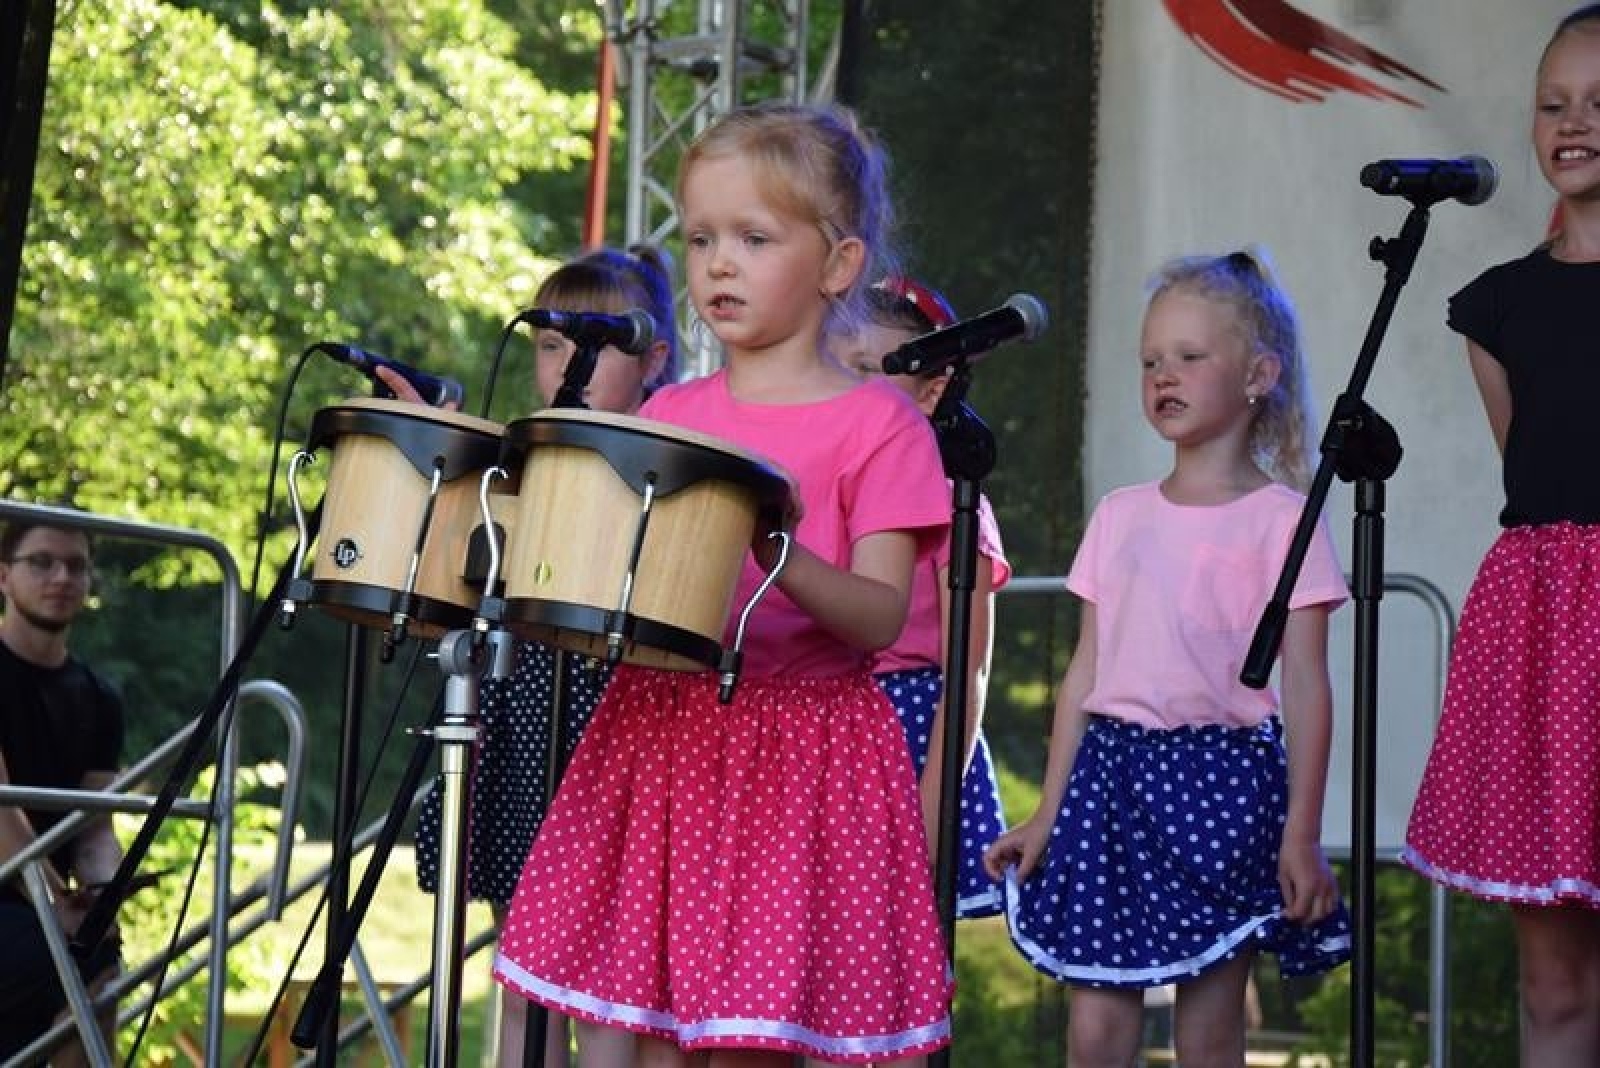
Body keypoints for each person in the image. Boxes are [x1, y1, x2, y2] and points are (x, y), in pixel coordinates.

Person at [492, 102, 954, 1066]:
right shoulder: (670, 413)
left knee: (748, 1038)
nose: (719, 265)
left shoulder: (882, 425)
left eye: (754, 238)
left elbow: (878, 617)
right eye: (701, 239)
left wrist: (774, 545)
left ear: (839, 264)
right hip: (664, 734)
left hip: (801, 755)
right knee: (636, 1027)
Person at [983, 251, 1350, 1066]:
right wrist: (1047, 814)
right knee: (1096, 1030)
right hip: (1111, 781)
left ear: (1259, 375)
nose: (1164, 376)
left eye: (1189, 356)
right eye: (1150, 361)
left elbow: (1307, 683)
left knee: (1210, 1033)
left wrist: (1302, 833)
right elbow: (1085, 675)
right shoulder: (1119, 515)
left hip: (1224, 789)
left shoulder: (1284, 521)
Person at [407, 244, 678, 1066]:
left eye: (600, 344)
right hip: (524, 717)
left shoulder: (671, 465)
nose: (570, 364)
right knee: (523, 966)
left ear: (653, 361)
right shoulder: (519, 460)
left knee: (611, 979)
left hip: (620, 726)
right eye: (554, 344)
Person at [1401, 8, 1600, 1063]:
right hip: (1550, 639)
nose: (1574, 123)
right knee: (1554, 977)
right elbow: (1533, 481)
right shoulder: (1496, 310)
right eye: (1553, 103)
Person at [849, 276, 1013, 919]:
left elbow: (967, 674)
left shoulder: (951, 506)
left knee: (899, 948)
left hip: (911, 744)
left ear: (932, 389)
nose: (852, 386)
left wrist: (928, 814)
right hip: (823, 738)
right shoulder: (813, 492)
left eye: (872, 369)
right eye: (840, 366)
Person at [0, 518, 125, 1066]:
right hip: (19, 900)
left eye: (76, 565)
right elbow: (1, 815)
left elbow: (95, 830)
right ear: (3, 576)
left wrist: (105, 893)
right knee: (82, 959)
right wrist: (55, 904)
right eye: (42, 562)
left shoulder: (101, 697)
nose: (61, 577)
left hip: (37, 910)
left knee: (101, 952)